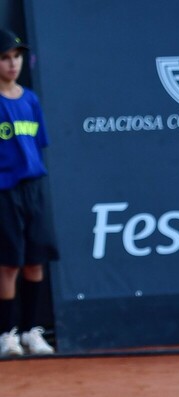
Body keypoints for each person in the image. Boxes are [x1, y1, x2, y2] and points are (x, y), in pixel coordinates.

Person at [0, 29, 57, 358]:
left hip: (33, 190)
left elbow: (37, 145)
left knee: (36, 263)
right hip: (5, 193)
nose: (12, 64)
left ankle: (31, 333)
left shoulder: (31, 100)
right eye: (5, 58)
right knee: (8, 266)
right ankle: (6, 335)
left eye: (17, 57)